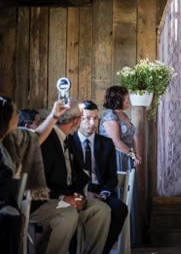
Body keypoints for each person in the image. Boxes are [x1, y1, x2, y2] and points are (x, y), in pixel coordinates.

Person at [30, 98, 111, 254]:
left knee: (101, 209)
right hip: (44, 202)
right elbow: (38, 181)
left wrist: (80, 195)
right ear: (75, 121)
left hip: (68, 198)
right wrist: (63, 198)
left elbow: (75, 175)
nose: (84, 122)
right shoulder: (47, 140)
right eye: (82, 117)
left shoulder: (67, 138)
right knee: (67, 213)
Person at [70, 100, 128, 254]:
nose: (92, 123)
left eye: (95, 118)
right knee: (71, 211)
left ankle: (102, 251)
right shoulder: (69, 142)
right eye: (87, 118)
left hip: (102, 191)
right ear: (77, 119)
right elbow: (69, 177)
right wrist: (84, 193)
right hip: (79, 192)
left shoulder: (107, 143)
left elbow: (112, 177)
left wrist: (103, 194)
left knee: (120, 209)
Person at [100, 85, 142, 244]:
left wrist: (136, 154)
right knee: (120, 191)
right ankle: (116, 239)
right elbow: (116, 143)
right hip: (117, 158)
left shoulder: (123, 114)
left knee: (130, 192)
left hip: (128, 157)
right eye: (125, 98)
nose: (128, 101)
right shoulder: (111, 117)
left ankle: (130, 237)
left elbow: (132, 137)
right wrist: (133, 154)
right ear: (117, 99)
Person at [0, 96, 22, 254]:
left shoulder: (6, 142)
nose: (18, 117)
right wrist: (14, 179)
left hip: (6, 199)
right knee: (10, 217)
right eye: (16, 114)